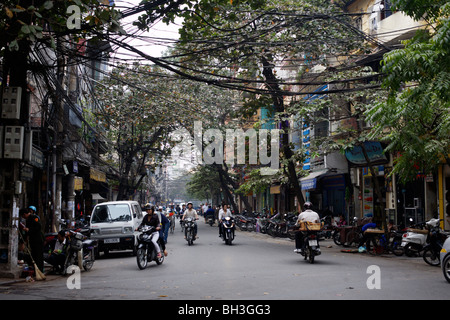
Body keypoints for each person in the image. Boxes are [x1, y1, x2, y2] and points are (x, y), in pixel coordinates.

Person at [23, 206, 45, 272]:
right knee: (34, 256)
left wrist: (29, 230)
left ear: (24, 214)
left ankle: (40, 271)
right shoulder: (28, 220)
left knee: (39, 256)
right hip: (32, 240)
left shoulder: (35, 218)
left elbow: (38, 227)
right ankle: (35, 270)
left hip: (38, 240)